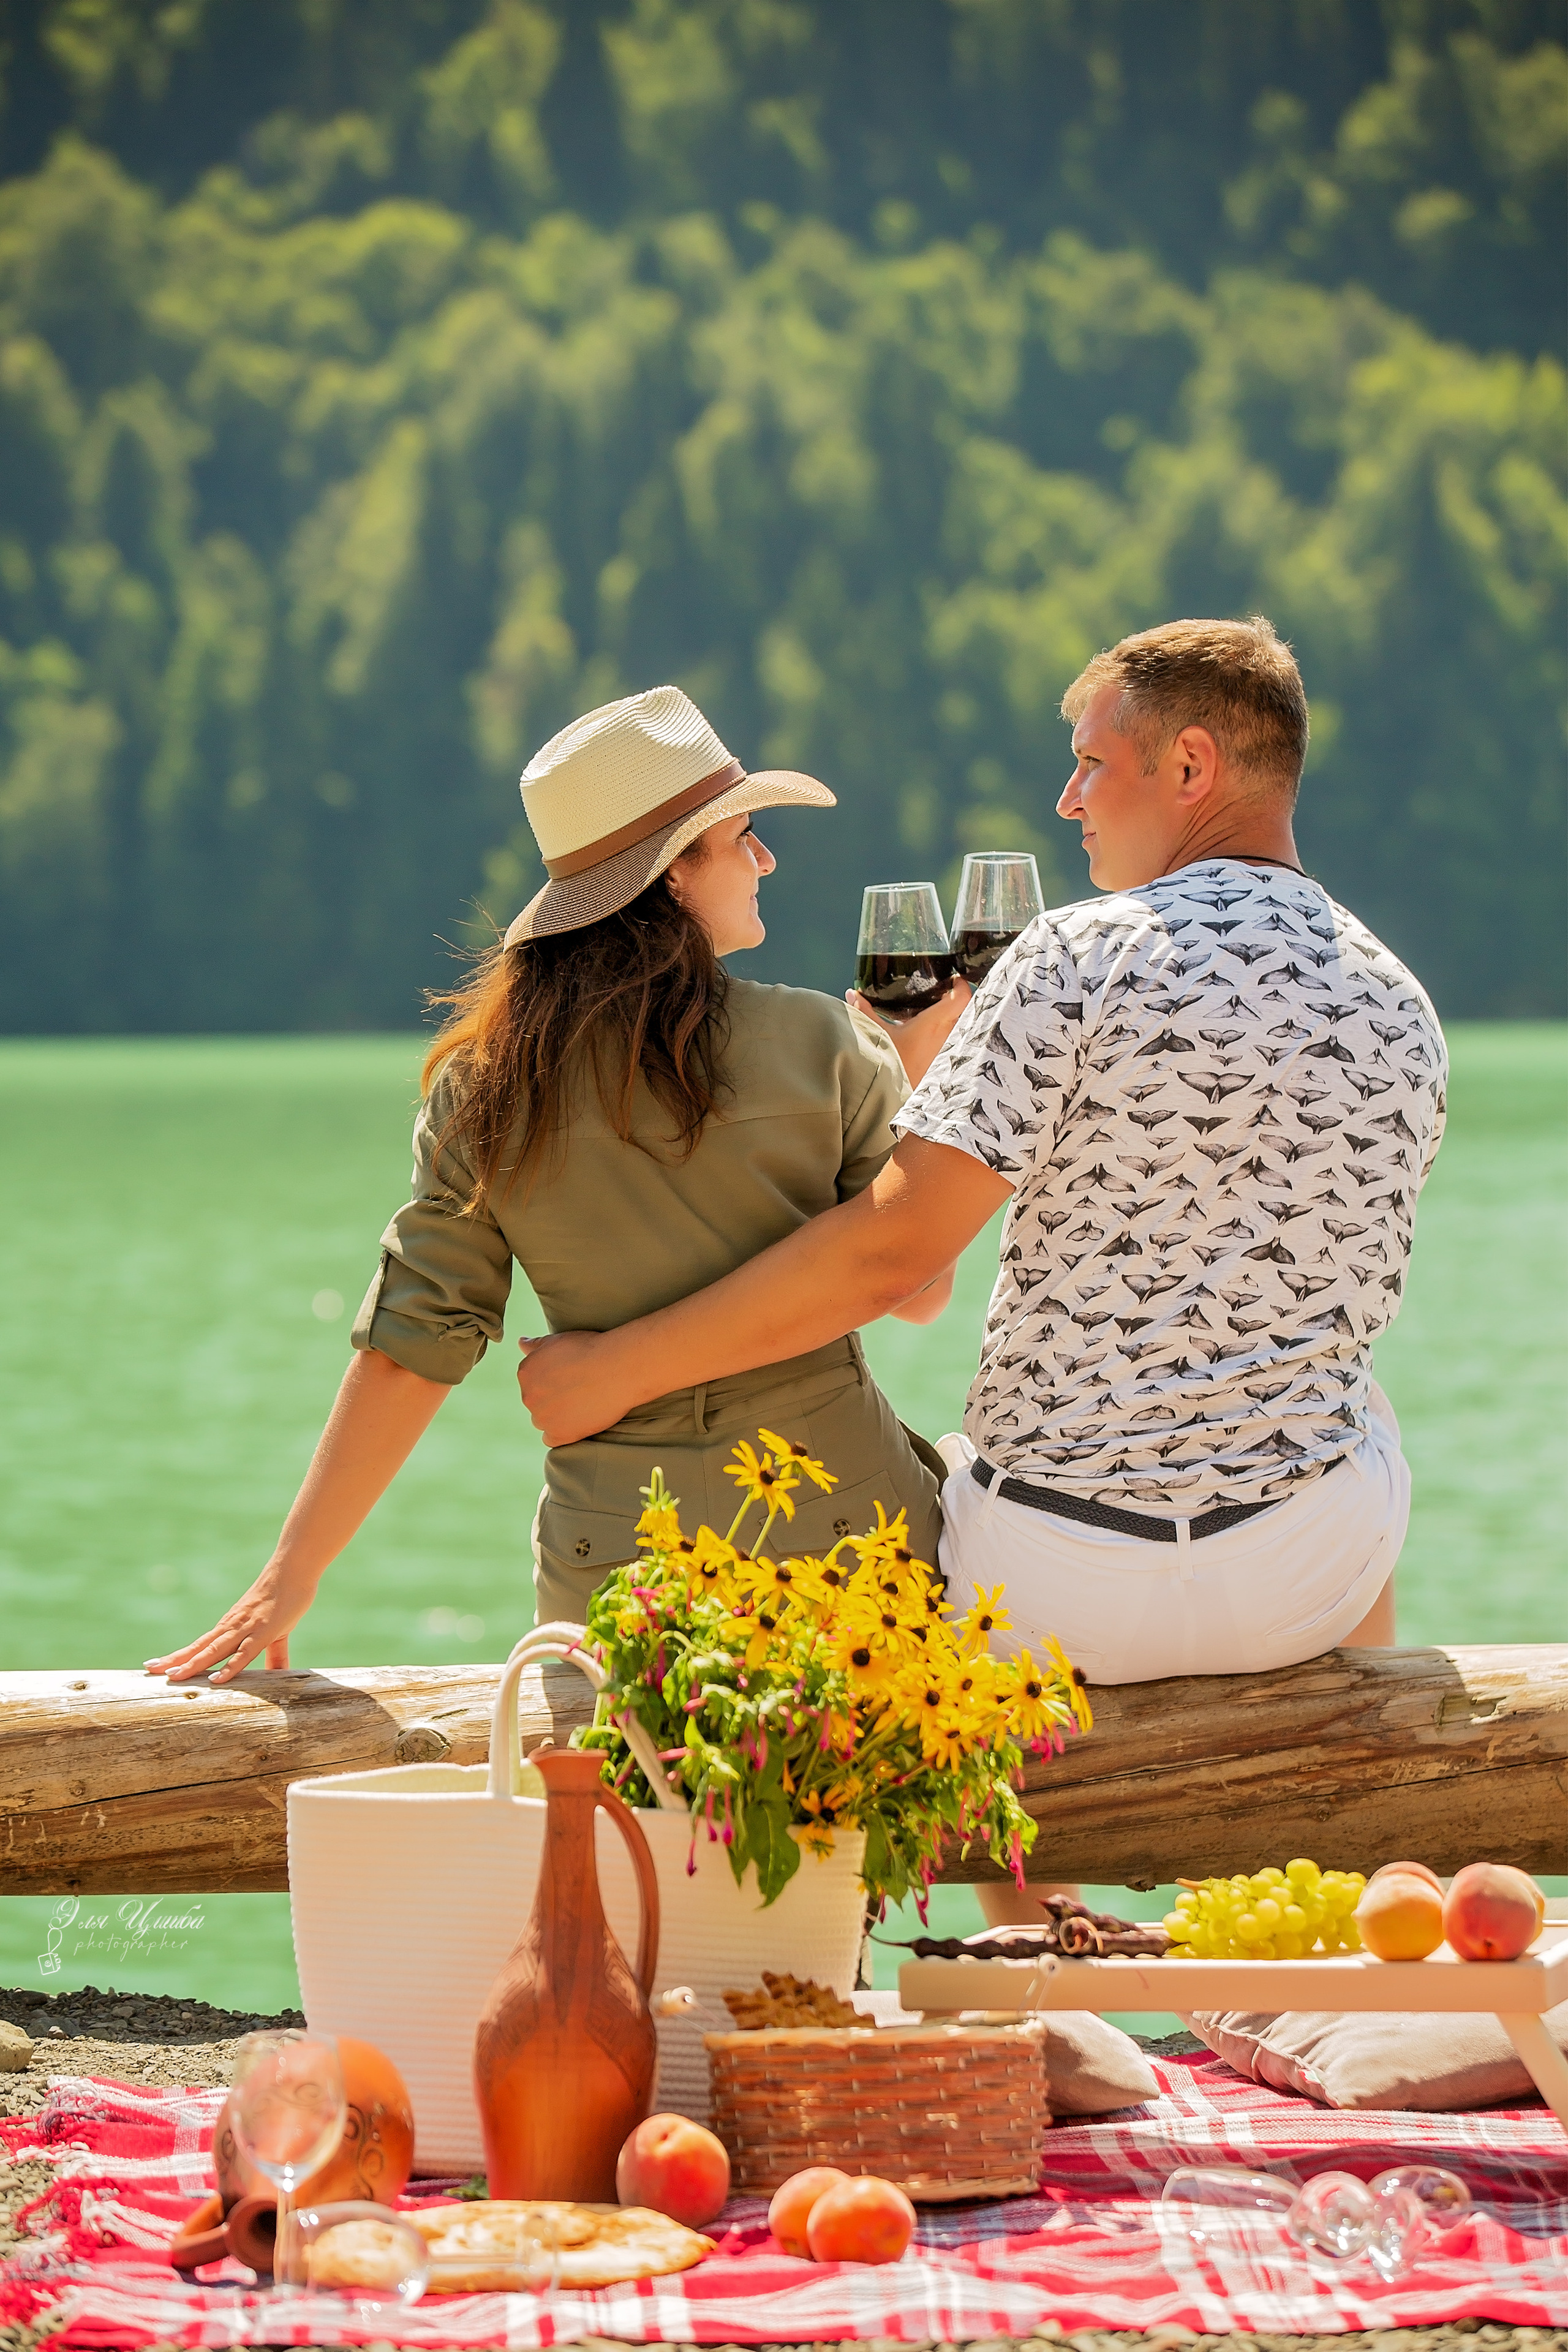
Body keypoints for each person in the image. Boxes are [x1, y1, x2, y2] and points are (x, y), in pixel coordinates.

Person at [516, 617, 1447, 1699]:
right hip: (1302, 1587)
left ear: (1191, 765)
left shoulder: (1075, 955)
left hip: (1057, 1598)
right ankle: (1366, 1757)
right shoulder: (1401, 1004)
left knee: (944, 1473)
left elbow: (895, 1259)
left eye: (1092, 763)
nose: (1068, 799)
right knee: (1355, 1408)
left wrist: (614, 1370)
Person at [148, 685, 949, 1686]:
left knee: (620, 1790)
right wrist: (913, 1074)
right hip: (844, 1533)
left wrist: (290, 1574)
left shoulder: (486, 1090)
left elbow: (413, 1346)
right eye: (743, 837)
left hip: (617, 1559)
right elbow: (917, 1288)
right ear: (673, 873)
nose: (766, 860)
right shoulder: (826, 1041)